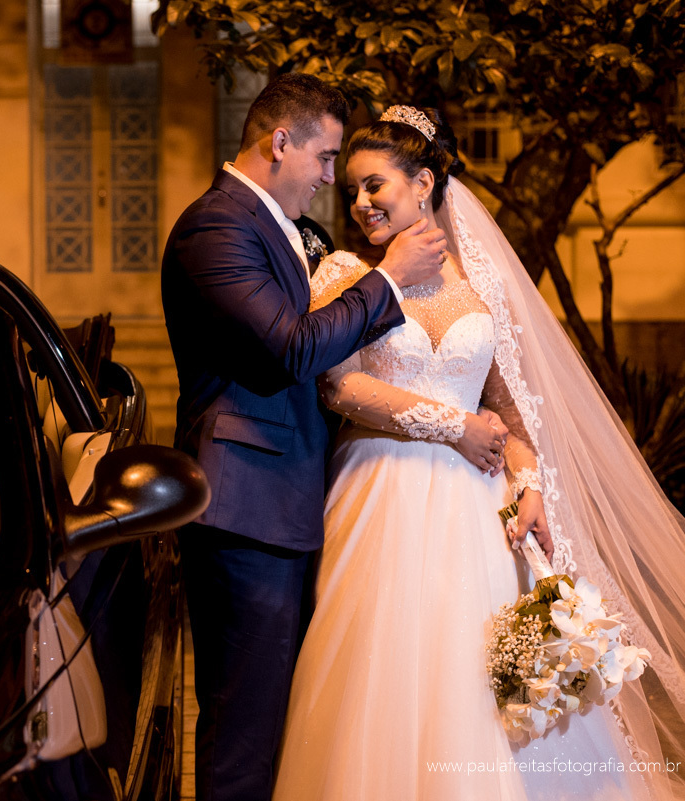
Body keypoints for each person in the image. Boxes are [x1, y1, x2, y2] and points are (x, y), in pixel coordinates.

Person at [272, 106, 685, 801]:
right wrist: (455, 426)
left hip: (478, 510)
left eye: (374, 185)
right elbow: (340, 384)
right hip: (382, 493)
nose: (357, 202)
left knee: (477, 668)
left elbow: (513, 412)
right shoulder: (349, 272)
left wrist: (531, 485)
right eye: (350, 188)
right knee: (386, 662)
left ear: (423, 183)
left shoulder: (482, 284)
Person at [161, 75, 458, 801]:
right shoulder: (216, 226)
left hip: (295, 502)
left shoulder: (281, 231)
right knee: (243, 730)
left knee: (282, 723)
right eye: (325, 158)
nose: (332, 179)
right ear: (279, 141)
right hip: (245, 509)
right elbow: (290, 348)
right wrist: (386, 283)